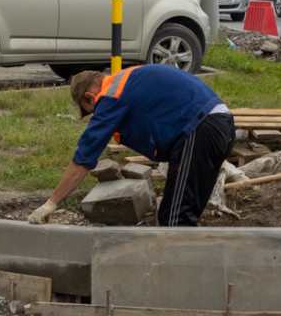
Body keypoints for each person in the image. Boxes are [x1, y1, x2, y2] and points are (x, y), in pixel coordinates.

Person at [27, 63, 236, 226]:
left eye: (91, 110)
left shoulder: (111, 96)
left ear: (90, 96)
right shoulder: (127, 81)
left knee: (175, 219)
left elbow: (85, 157)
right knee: (180, 213)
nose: (95, 114)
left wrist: (52, 202)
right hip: (219, 126)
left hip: (201, 130)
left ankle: (174, 278)